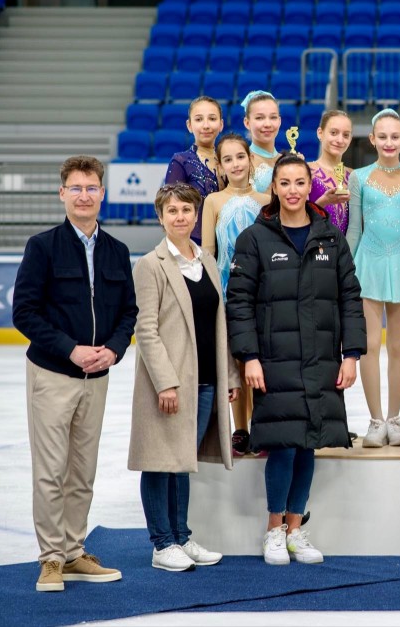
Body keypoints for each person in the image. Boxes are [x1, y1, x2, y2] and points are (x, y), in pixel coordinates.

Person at [227, 154, 366, 566]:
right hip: (275, 361)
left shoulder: (330, 238)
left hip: (321, 358)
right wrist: (249, 357)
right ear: (274, 187)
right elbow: (239, 302)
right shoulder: (254, 239)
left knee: (309, 445)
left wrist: (351, 355)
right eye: (284, 183)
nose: (292, 190)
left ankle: (294, 530)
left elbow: (350, 298)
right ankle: (273, 530)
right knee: (284, 444)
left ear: (309, 187)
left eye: (299, 183)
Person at [13, 155, 137, 592]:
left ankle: (72, 551)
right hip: (52, 375)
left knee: (82, 473)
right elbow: (24, 313)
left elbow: (128, 313)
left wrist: (114, 350)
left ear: (103, 193)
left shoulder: (117, 251)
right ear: (62, 193)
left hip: (96, 379)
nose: (84, 196)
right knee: (51, 471)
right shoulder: (42, 247)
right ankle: (50, 558)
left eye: (91, 188)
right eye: (76, 188)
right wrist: (71, 349)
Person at [129, 183, 241, 572]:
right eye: (172, 211)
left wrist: (228, 375)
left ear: (196, 215)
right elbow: (146, 330)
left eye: (186, 210)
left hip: (205, 380)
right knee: (160, 461)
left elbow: (218, 323)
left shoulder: (206, 260)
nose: (180, 217)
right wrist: (165, 382)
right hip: (171, 385)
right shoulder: (150, 265)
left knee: (182, 459)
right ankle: (162, 543)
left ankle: (181, 535)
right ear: (160, 218)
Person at [347, 109, 400, 447]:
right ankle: (375, 420)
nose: (389, 142)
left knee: (397, 345)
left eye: (395, 136)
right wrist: (345, 273)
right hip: (367, 264)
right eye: (383, 136)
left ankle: (395, 419)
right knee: (370, 346)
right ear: (372, 139)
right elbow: (354, 229)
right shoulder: (359, 178)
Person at [200, 133, 270, 455]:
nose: (236, 164)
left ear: (250, 159)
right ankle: (240, 428)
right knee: (239, 361)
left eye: (240, 157)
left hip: (264, 292)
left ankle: (262, 425)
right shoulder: (213, 202)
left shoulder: (267, 201)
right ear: (220, 165)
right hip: (229, 293)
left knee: (262, 361)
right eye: (228, 159)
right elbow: (208, 253)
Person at [162, 96, 225, 245]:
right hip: (194, 243)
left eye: (212, 119)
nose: (206, 125)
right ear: (189, 125)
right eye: (199, 119)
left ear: (221, 124)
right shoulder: (181, 161)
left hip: (227, 240)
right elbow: (171, 208)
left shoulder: (230, 160)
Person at [309, 109, 354, 234]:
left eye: (346, 135)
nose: (340, 140)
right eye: (333, 133)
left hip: (346, 245)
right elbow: (296, 217)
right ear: (320, 133)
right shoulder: (306, 171)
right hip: (314, 243)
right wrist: (324, 201)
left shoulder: (354, 176)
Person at [243, 90, 282, 194]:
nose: (267, 124)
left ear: (279, 121)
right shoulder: (241, 161)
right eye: (260, 118)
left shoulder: (286, 160)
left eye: (273, 117)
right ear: (247, 123)